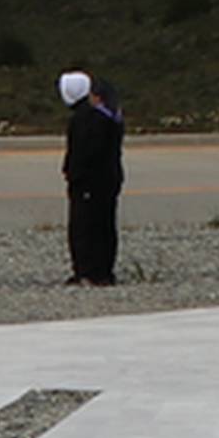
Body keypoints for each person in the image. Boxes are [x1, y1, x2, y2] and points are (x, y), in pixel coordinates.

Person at [59, 68, 124, 286]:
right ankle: (103, 270)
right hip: (109, 179)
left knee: (84, 227)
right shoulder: (110, 116)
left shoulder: (86, 120)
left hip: (89, 182)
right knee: (105, 225)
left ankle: (87, 271)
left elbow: (83, 153)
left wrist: (72, 173)